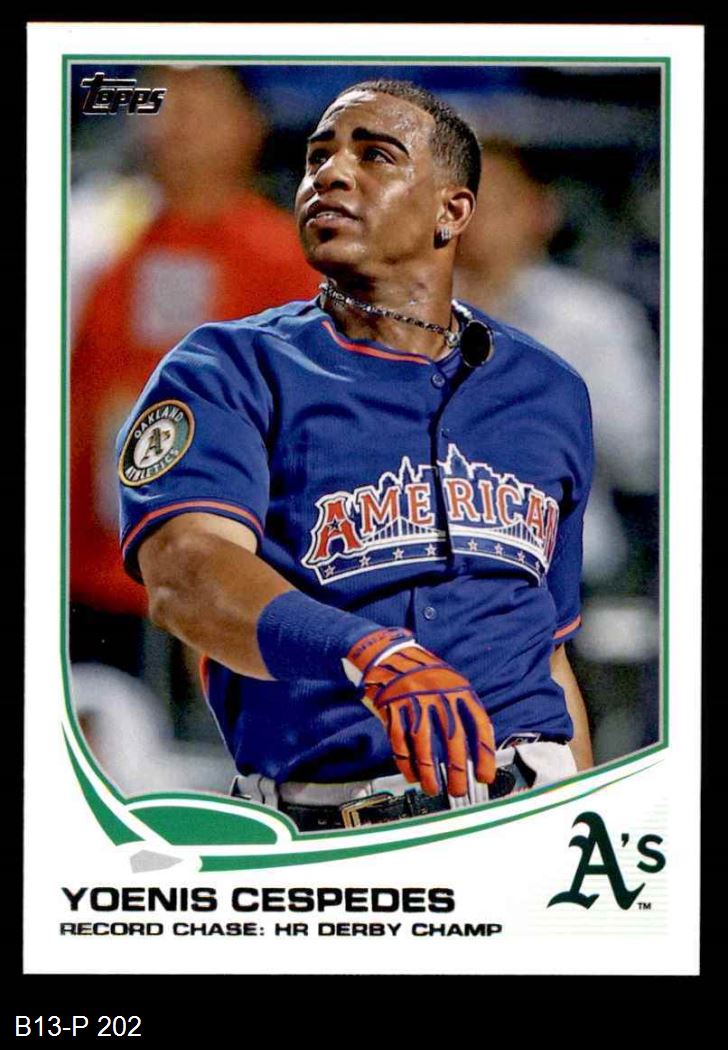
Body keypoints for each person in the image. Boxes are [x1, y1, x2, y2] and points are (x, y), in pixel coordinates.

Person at [116, 80, 594, 832]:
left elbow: (552, 654)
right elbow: (185, 570)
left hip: (529, 811)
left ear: (451, 211)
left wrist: (588, 829)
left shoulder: (548, 390)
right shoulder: (227, 369)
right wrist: (368, 651)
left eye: (375, 156)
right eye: (317, 157)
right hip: (330, 832)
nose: (331, 175)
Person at [455, 138, 659, 585]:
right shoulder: (398, 318)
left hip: (569, 570)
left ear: (541, 210)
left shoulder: (594, 318)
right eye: (459, 203)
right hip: (437, 574)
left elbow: (642, 456)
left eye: (497, 204)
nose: (477, 222)